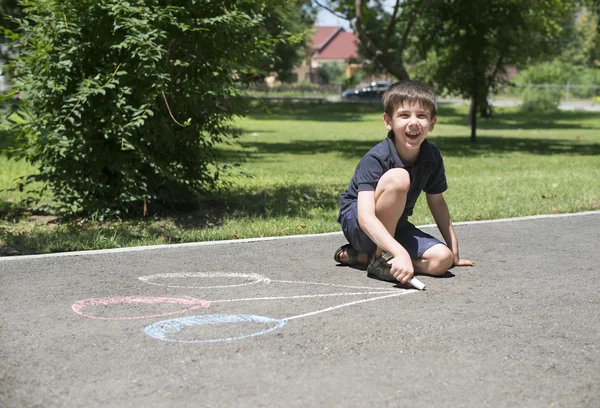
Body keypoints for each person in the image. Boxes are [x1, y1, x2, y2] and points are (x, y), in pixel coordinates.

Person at [334, 79, 474, 285]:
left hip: (395, 224)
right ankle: (384, 254)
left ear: (432, 123)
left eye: (422, 116)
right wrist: (400, 251)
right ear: (387, 120)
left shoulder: (432, 156)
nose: (414, 122)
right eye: (404, 115)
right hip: (361, 227)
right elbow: (365, 217)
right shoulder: (376, 158)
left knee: (442, 261)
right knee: (399, 177)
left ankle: (372, 260)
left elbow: (437, 203)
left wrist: (454, 252)